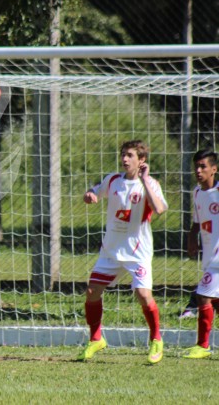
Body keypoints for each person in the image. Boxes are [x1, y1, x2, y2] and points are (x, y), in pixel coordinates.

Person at [77, 140, 168, 364]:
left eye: (130, 155)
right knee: (92, 293)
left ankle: (156, 339)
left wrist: (145, 180)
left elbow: (160, 209)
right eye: (123, 155)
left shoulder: (150, 184)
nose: (125, 159)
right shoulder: (113, 180)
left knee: (143, 296)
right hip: (111, 250)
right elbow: (93, 191)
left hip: (138, 252)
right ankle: (96, 339)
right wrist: (90, 195)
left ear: (141, 160)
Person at [183, 149, 219, 359]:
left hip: (217, 259)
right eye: (196, 166)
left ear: (214, 169)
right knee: (212, 300)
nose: (198, 170)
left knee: (203, 296)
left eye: (203, 166)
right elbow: (197, 222)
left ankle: (203, 345)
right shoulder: (197, 193)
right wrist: (191, 239)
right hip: (209, 257)